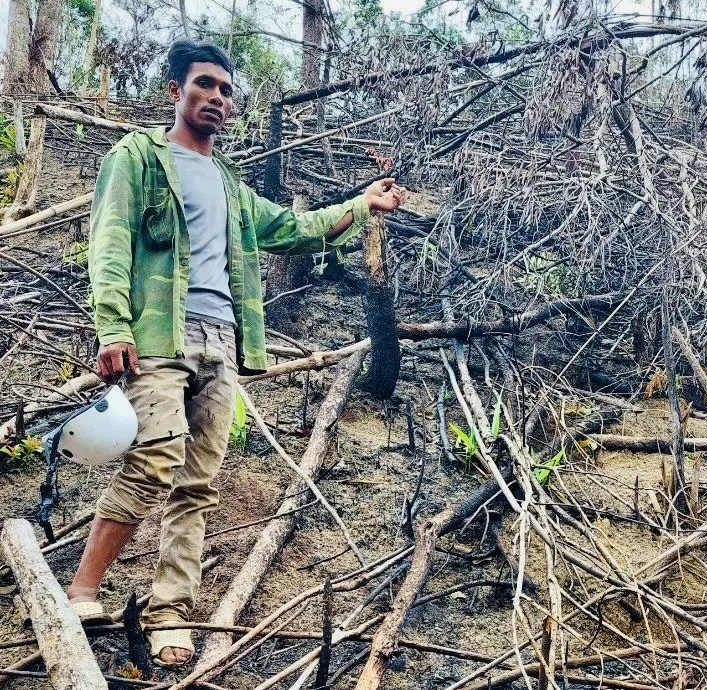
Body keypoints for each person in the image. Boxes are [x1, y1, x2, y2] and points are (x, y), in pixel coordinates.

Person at [69, 39, 405, 666]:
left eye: (226, 90)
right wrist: (112, 327)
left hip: (221, 342)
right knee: (154, 457)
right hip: (157, 335)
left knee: (197, 482)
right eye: (204, 85)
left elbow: (293, 229)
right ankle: (82, 589)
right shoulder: (138, 158)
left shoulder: (229, 184)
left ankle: (171, 611)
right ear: (175, 90)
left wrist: (362, 205)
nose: (217, 98)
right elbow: (110, 242)